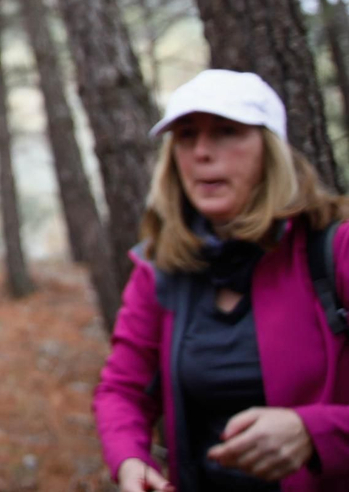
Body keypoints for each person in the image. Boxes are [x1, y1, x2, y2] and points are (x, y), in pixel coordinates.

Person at [94, 69, 349, 492]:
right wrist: (130, 460)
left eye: (227, 132)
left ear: (270, 149)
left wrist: (315, 431)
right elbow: (122, 390)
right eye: (187, 137)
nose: (202, 153)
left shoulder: (333, 249)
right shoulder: (162, 267)